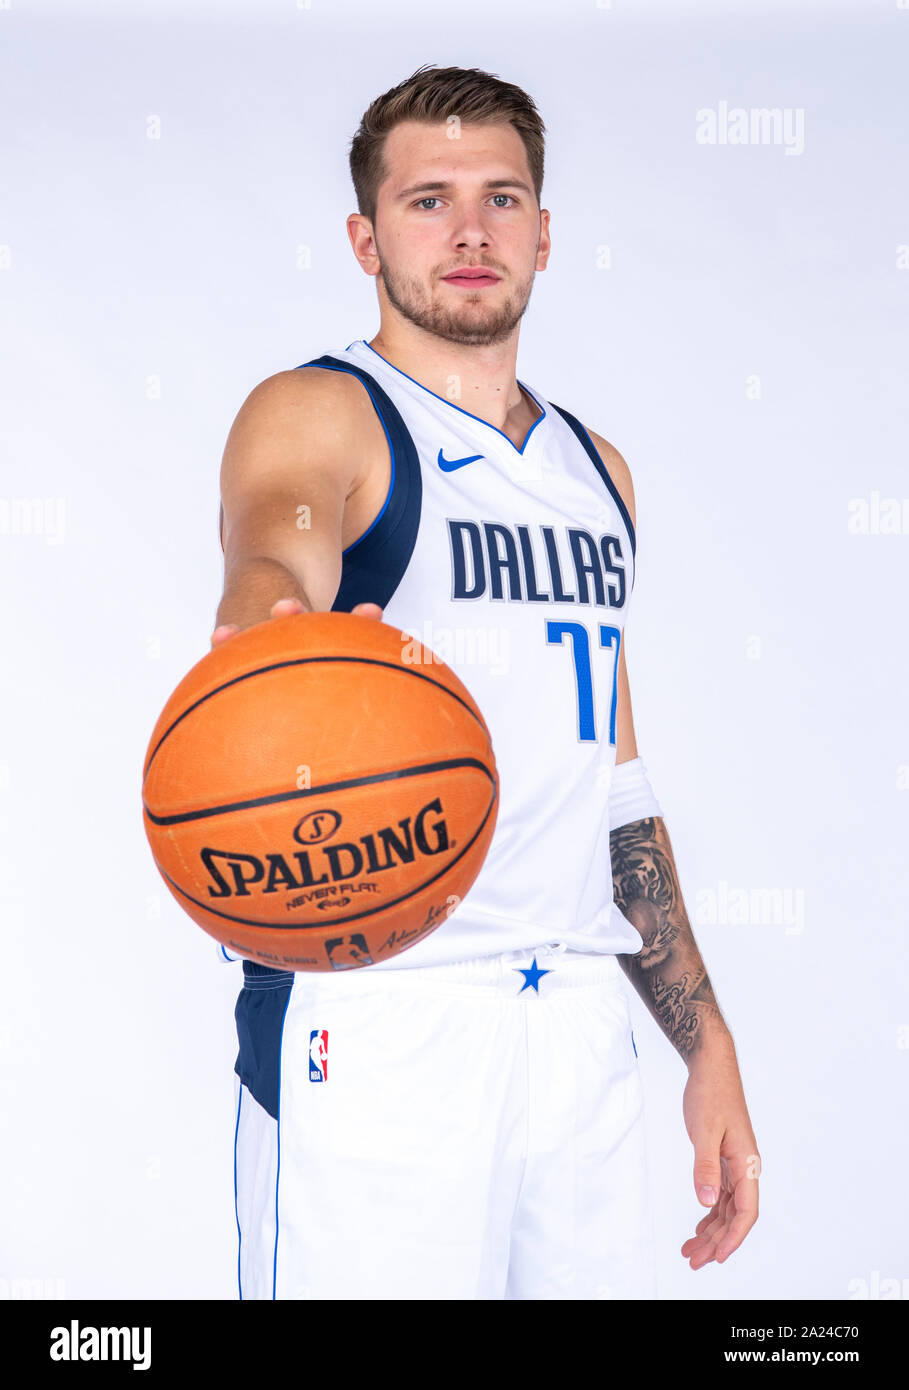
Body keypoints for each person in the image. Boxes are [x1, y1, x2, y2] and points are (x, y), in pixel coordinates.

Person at [211, 63, 760, 1300]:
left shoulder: (596, 470)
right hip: (379, 1010)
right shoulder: (324, 415)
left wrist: (705, 1041)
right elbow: (272, 536)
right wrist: (267, 626)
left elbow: (612, 780)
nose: (470, 232)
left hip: (574, 1027)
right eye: (428, 201)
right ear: (365, 238)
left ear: (547, 235)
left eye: (502, 198)